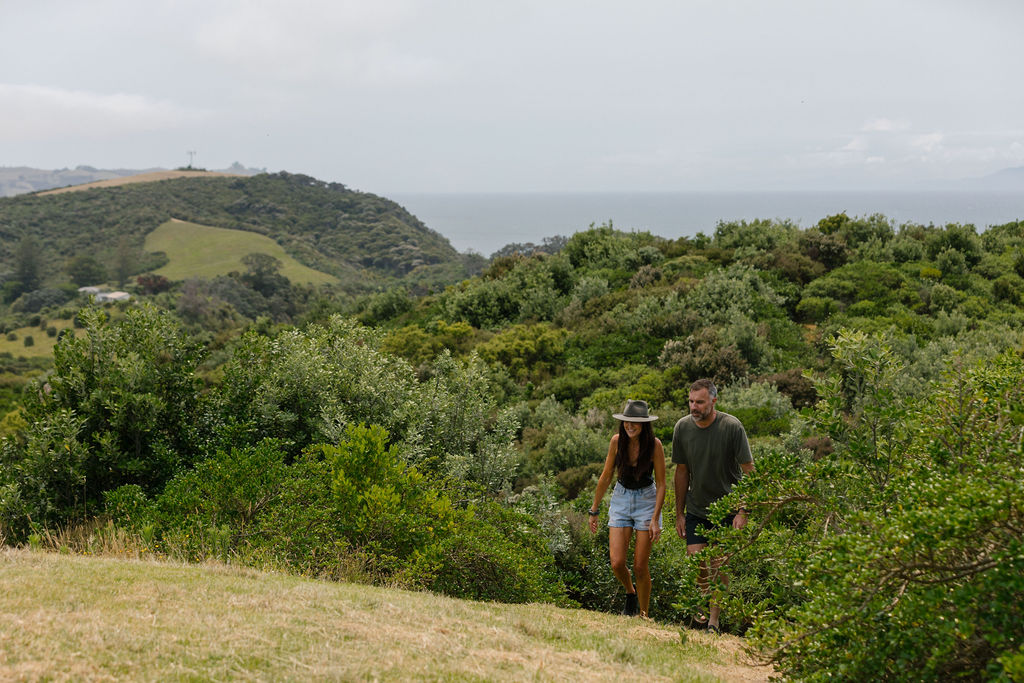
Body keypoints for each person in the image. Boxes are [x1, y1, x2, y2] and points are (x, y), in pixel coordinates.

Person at [672, 378, 754, 634]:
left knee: (719, 565)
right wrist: (679, 513)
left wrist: (743, 511)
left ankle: (713, 622)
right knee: (697, 561)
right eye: (691, 401)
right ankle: (703, 601)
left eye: (700, 402)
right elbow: (681, 472)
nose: (694, 407)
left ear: (713, 401)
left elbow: (750, 472)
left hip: (727, 509)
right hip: (697, 508)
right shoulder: (682, 428)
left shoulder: (732, 427)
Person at [589, 399, 667, 617]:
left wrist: (655, 518)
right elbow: (606, 476)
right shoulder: (617, 441)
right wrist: (594, 509)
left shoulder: (655, 445)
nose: (629, 426)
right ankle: (630, 593)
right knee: (617, 563)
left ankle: (643, 615)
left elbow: (662, 484)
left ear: (644, 424)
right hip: (621, 497)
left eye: (634, 422)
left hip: (647, 499)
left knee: (641, 566)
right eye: (626, 422)